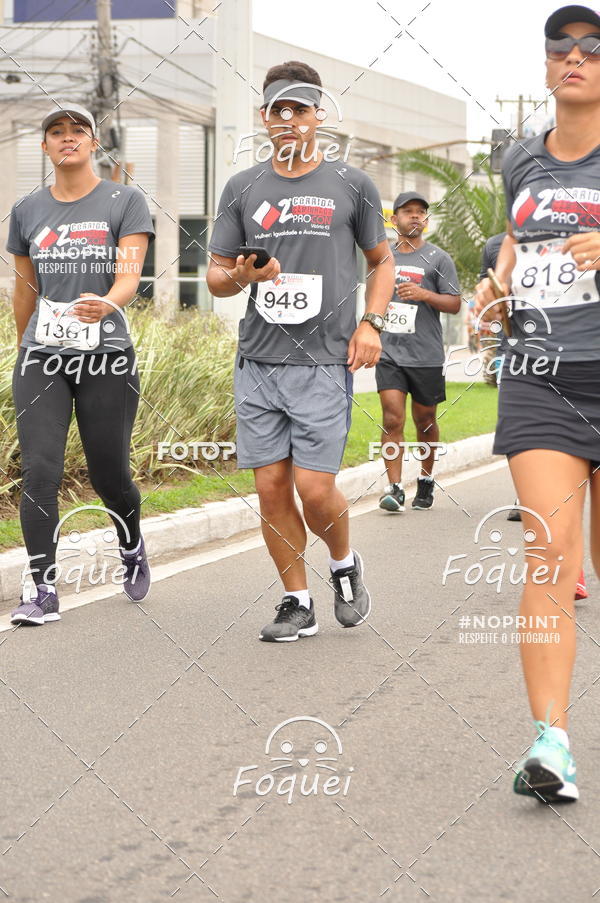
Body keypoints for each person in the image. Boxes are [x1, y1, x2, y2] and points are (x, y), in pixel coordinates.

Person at [207, 61, 394, 642]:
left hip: (323, 358)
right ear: (263, 118)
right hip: (260, 360)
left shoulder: (352, 185)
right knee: (270, 487)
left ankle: (342, 564)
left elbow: (382, 261)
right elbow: (215, 277)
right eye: (276, 110)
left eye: (299, 109)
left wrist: (371, 323)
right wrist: (242, 275)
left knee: (314, 488)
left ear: (318, 116)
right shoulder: (242, 188)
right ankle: (296, 600)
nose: (287, 120)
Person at [475, 5, 600, 803]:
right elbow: (520, 245)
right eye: (561, 48)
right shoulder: (522, 161)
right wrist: (493, 287)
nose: (576, 57)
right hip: (542, 374)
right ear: (545, 65)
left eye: (592, 47)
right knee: (551, 551)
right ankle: (550, 740)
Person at [8, 103, 155, 625]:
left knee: (108, 474)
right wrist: (25, 347)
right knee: (40, 471)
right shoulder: (26, 211)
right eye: (56, 132)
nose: (67, 139)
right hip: (42, 358)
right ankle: (43, 591)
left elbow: (130, 275)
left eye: (77, 131)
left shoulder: (125, 200)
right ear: (44, 147)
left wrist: (110, 303)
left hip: (106, 358)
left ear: (94, 143)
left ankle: (132, 542)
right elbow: (24, 288)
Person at [376, 192, 460, 513]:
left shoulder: (439, 258)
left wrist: (424, 293)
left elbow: (453, 303)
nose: (415, 216)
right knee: (392, 417)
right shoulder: (381, 257)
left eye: (421, 212)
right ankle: (394, 488)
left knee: (425, 420)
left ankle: (426, 479)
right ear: (394, 219)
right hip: (389, 352)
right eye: (407, 212)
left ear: (426, 220)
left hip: (425, 353)